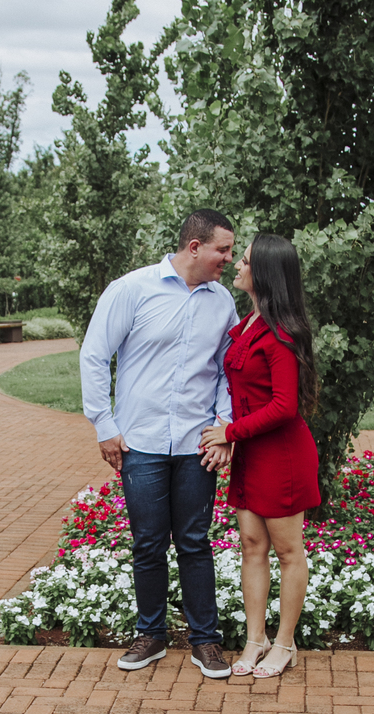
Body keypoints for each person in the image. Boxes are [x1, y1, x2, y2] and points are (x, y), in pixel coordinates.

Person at [79, 210, 238, 677]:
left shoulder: (222, 301)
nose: (229, 259)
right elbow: (94, 355)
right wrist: (104, 424)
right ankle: (149, 635)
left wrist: (224, 425)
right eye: (223, 250)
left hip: (196, 443)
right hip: (140, 441)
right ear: (195, 247)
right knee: (148, 543)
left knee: (194, 542)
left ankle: (205, 641)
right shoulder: (132, 289)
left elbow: (228, 369)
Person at [199, 233, 320, 679]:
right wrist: (233, 435)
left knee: (288, 552)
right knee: (252, 547)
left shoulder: (281, 333)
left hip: (282, 456)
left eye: (245, 260)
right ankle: (256, 640)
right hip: (252, 453)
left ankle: (284, 644)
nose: (237, 264)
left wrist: (229, 432)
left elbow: (285, 406)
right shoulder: (249, 324)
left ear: (265, 273)